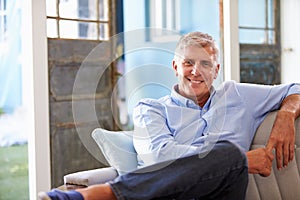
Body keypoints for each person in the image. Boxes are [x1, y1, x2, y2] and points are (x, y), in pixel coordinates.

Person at [39, 31, 300, 200]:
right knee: (229, 154)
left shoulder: (238, 95)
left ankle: (100, 195)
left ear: (216, 69)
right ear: (175, 66)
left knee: (228, 154)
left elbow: (296, 89)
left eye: (205, 64)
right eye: (188, 63)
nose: (196, 72)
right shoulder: (150, 108)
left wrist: (287, 115)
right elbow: (158, 157)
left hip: (223, 194)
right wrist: (242, 160)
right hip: (169, 195)